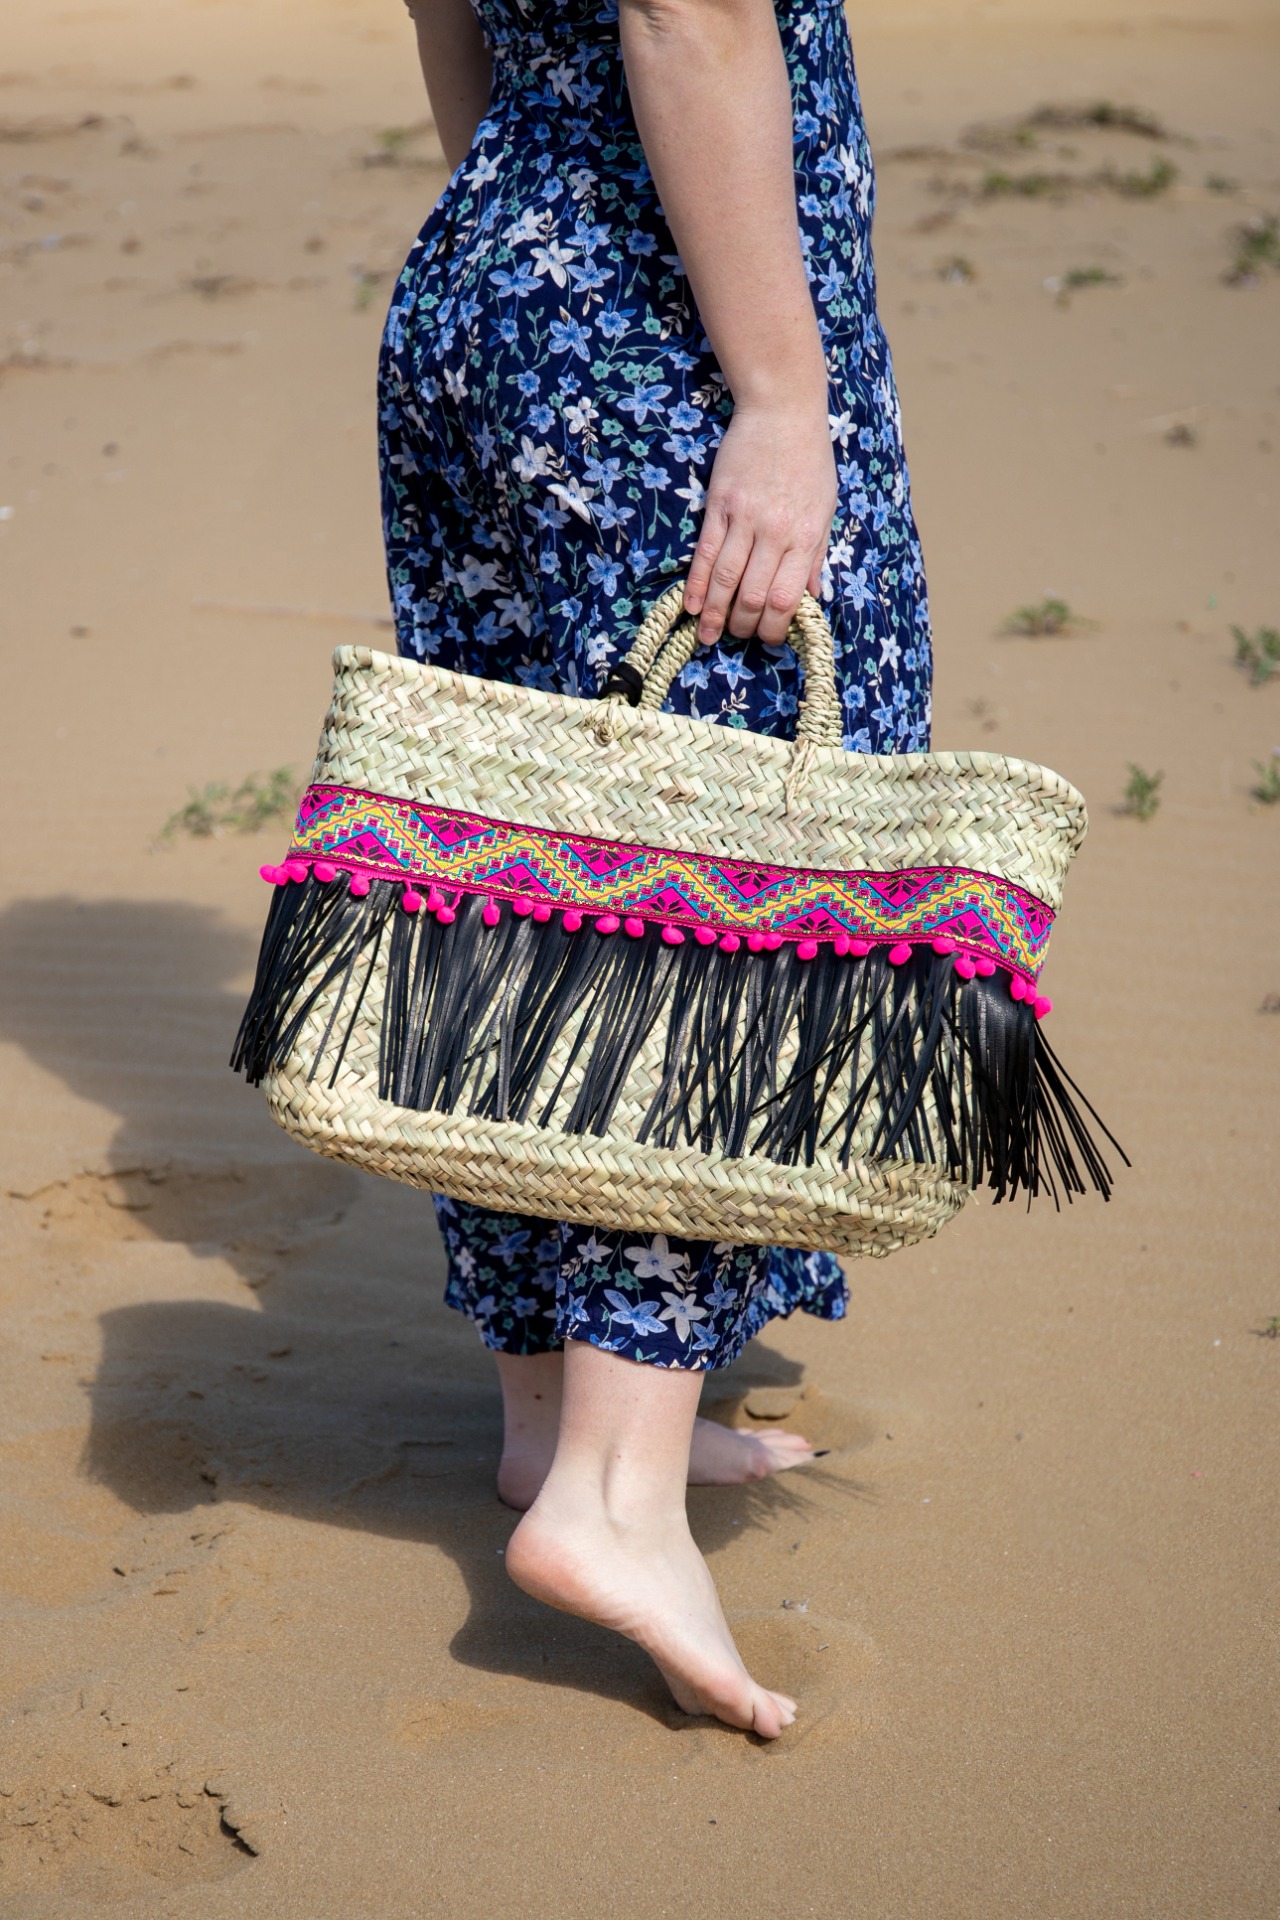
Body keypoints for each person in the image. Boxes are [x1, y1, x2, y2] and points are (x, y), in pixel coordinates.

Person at [381, 0, 931, 1737]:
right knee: (732, 871)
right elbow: (686, 10)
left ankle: (554, 1402)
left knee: (529, 850)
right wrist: (777, 391)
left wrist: (533, 241)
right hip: (663, 319)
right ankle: (611, 1495)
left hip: (496, 284)